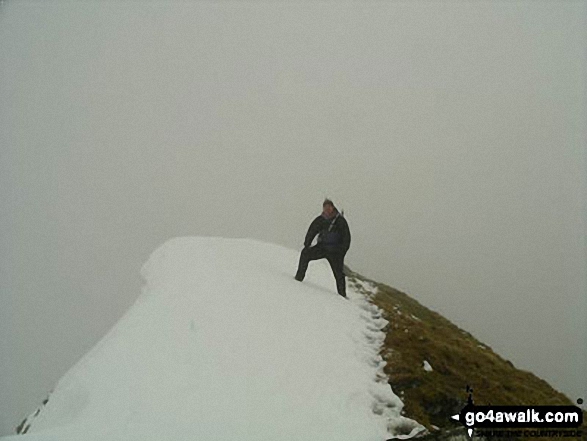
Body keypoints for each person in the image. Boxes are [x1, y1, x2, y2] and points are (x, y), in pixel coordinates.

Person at [294, 199, 351, 297]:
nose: (327, 209)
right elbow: (312, 230)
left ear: (333, 207)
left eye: (329, 207)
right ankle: (298, 279)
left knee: (338, 274)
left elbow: (347, 238)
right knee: (305, 254)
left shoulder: (340, 221)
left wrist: (341, 252)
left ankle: (342, 296)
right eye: (325, 207)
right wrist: (307, 244)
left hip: (335, 251)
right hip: (322, 247)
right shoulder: (321, 219)